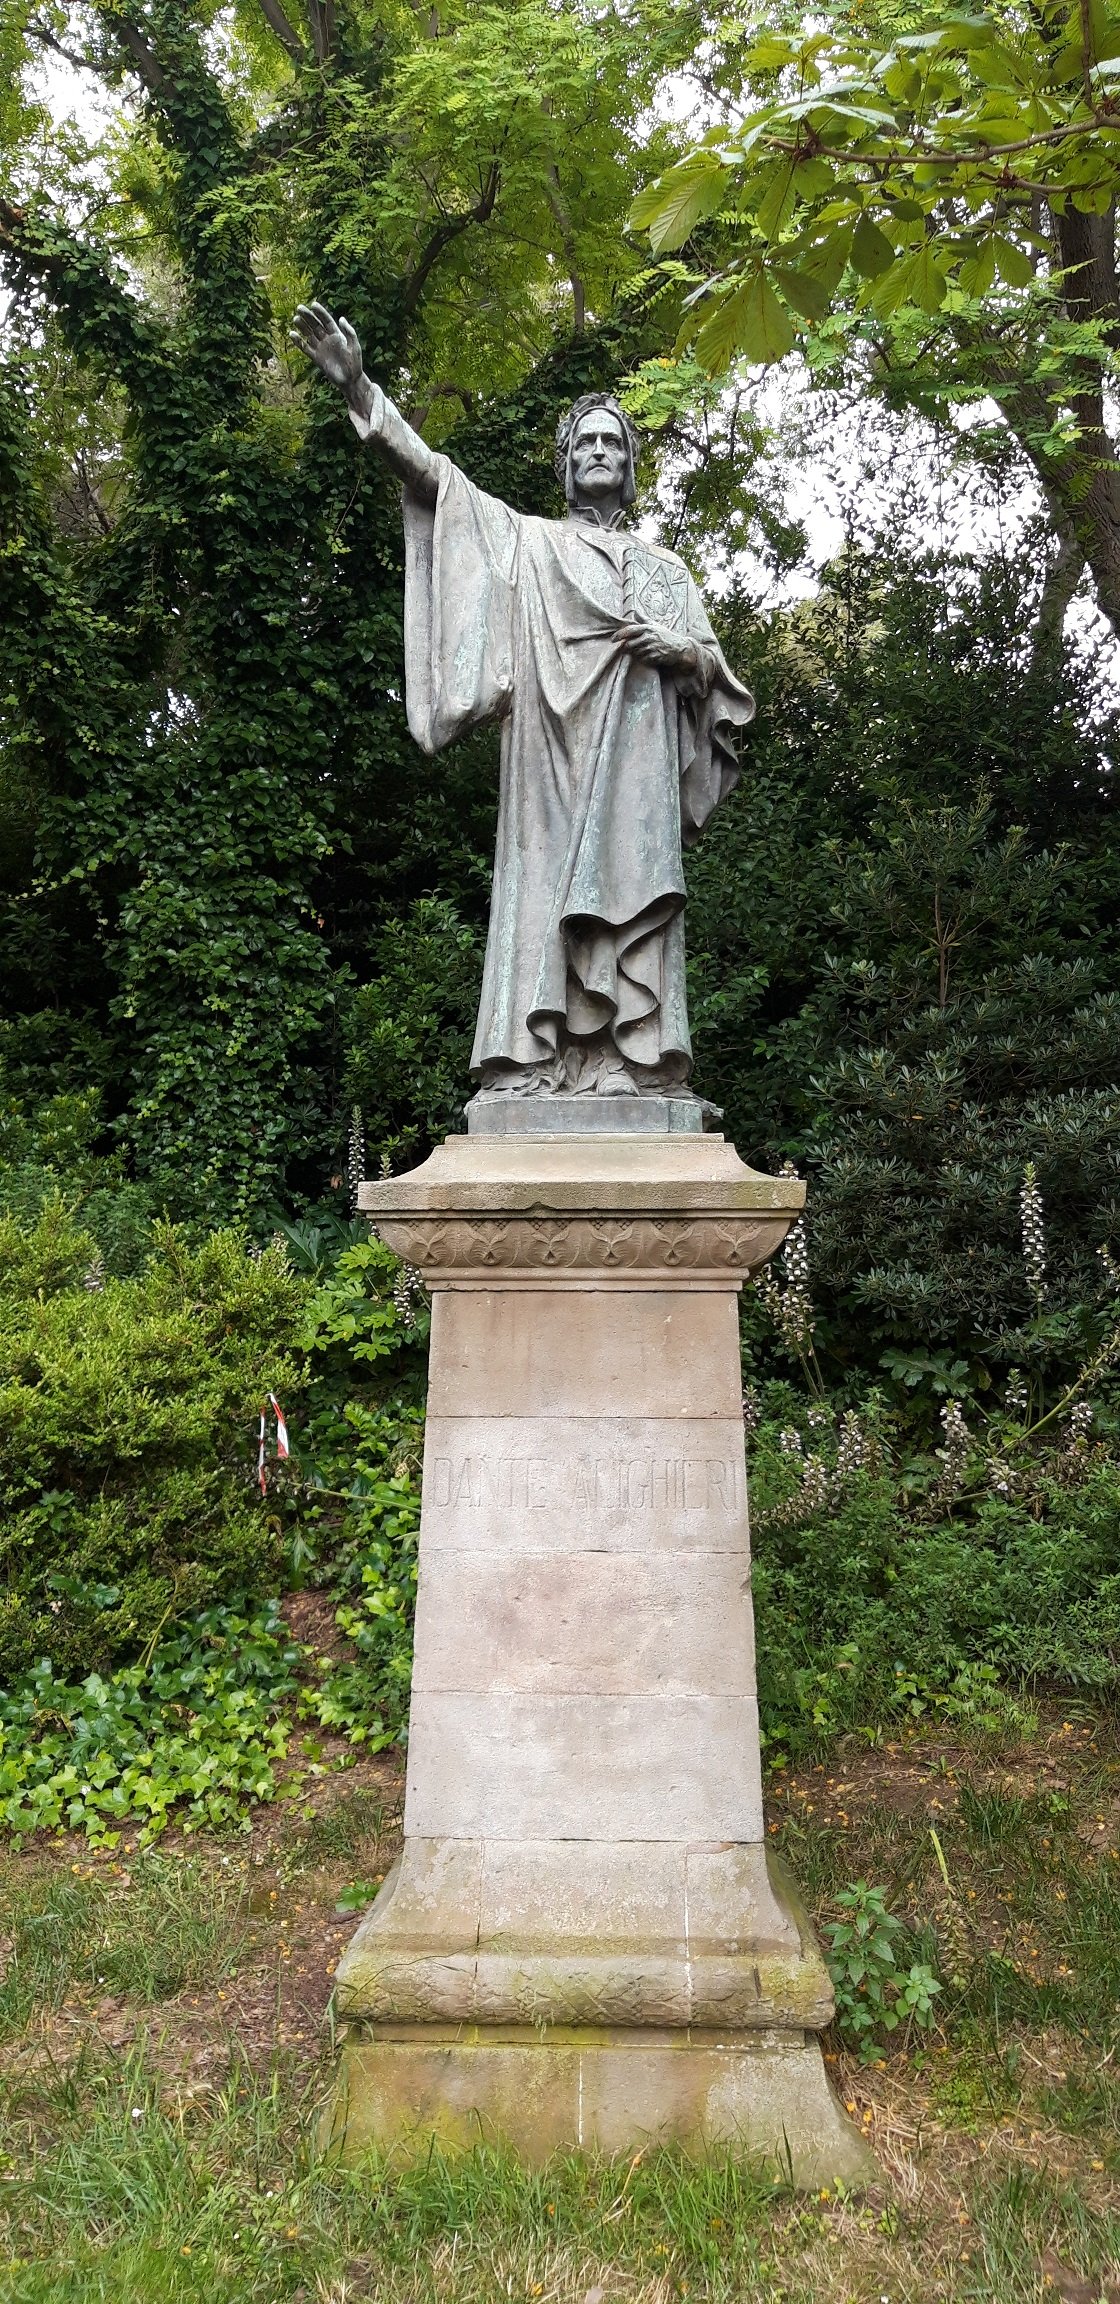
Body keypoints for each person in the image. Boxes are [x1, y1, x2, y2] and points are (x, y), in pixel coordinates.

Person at [292, 302, 754, 1102]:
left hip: (637, 774)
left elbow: (717, 682)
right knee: (540, 894)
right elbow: (438, 481)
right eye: (586, 443)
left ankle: (631, 1064)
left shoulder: (666, 572)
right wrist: (364, 390)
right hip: (548, 758)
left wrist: (683, 652)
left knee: (634, 899)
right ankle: (533, 1064)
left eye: (613, 442)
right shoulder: (530, 544)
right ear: (566, 464)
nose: (599, 452)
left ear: (631, 466)